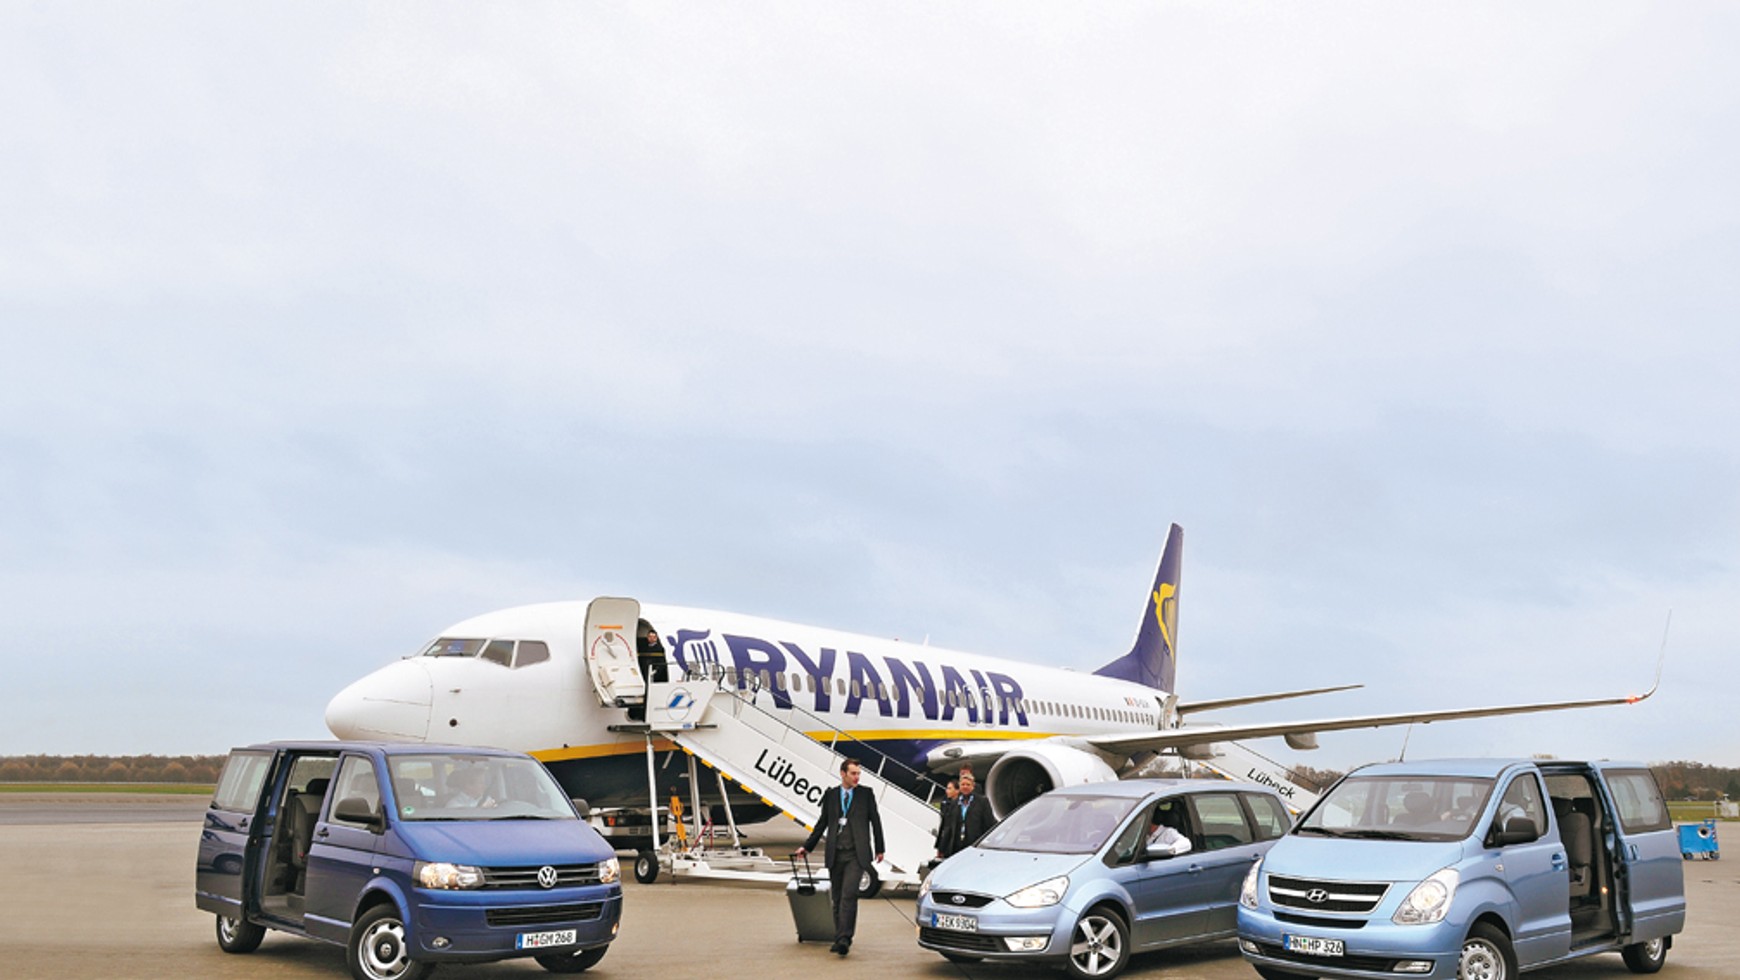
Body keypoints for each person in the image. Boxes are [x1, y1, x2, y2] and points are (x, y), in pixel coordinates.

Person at [795, 758, 885, 956]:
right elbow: (822, 823)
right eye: (853, 773)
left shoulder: (865, 794)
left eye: (858, 774)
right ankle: (838, 936)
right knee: (836, 897)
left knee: (848, 895)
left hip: (856, 854)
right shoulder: (831, 795)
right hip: (836, 853)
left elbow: (875, 821)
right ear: (843, 773)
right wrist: (807, 847)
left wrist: (880, 848)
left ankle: (845, 938)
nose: (857, 777)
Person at [951, 769, 995, 853]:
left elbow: (989, 823)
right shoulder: (954, 803)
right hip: (956, 845)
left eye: (968, 785)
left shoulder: (982, 802)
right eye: (963, 784)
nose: (965, 787)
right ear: (959, 786)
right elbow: (948, 826)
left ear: (972, 786)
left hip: (974, 843)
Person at [934, 779, 960, 861]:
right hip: (944, 836)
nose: (947, 791)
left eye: (949, 788)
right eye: (947, 788)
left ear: (957, 791)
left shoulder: (960, 805)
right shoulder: (946, 802)